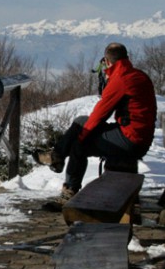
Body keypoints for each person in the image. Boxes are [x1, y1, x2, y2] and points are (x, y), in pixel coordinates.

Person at [35, 43, 156, 201]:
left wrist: (82, 136)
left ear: (107, 61)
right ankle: (56, 157)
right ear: (126, 57)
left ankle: (66, 185)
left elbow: (101, 113)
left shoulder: (121, 79)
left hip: (131, 139)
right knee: (81, 123)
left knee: (79, 142)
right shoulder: (138, 75)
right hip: (139, 136)